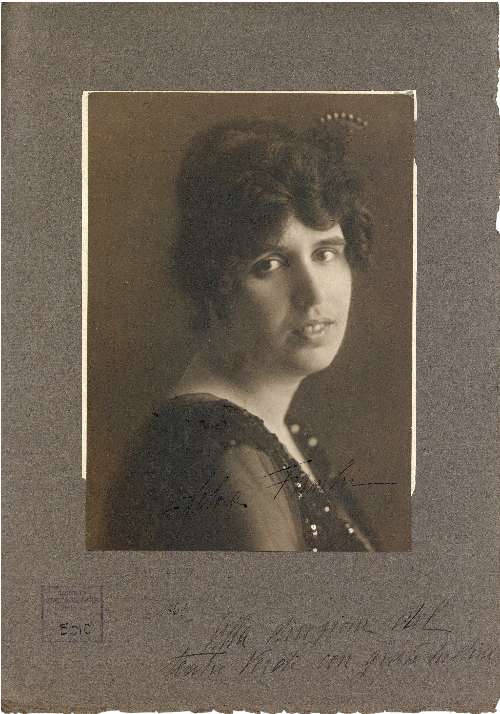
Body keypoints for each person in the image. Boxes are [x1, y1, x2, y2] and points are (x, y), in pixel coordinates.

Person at [105, 115, 378, 551]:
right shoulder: (222, 455)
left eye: (325, 253)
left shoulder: (276, 432)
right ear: (218, 282)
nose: (313, 294)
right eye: (269, 264)